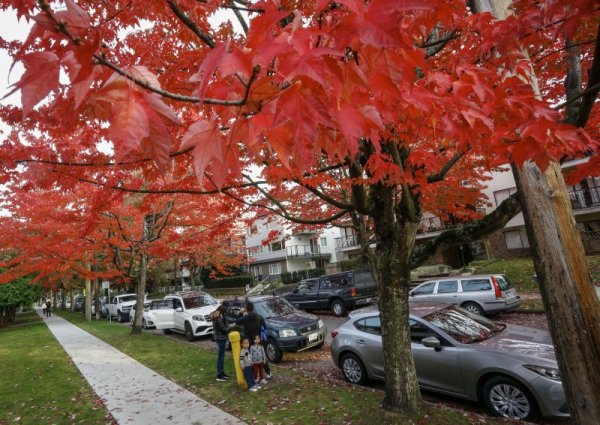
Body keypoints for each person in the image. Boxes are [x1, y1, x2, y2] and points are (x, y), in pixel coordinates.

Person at [236, 301, 272, 378]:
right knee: (262, 355)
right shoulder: (259, 316)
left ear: (246, 309)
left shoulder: (245, 317)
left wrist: (240, 313)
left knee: (250, 357)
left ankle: (254, 375)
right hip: (258, 339)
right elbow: (265, 327)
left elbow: (237, 321)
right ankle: (268, 373)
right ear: (253, 308)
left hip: (248, 340)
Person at [212, 305, 231, 382]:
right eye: (224, 312)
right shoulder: (218, 318)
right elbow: (224, 329)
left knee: (222, 357)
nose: (225, 314)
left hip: (220, 338)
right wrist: (231, 326)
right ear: (222, 311)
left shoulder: (218, 316)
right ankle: (219, 375)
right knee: (221, 357)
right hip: (221, 339)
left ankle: (222, 372)